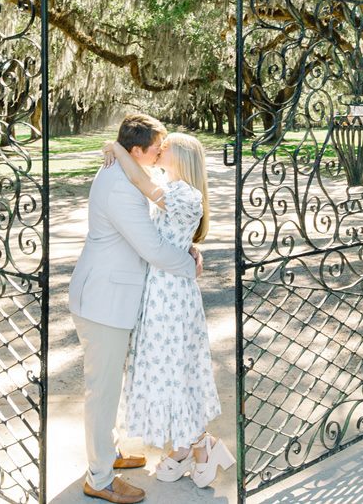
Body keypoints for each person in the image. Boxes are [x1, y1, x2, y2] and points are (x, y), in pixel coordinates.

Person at [69, 114, 203, 504]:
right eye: (156, 147)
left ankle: (107, 454)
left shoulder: (124, 173)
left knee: (107, 385)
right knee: (103, 391)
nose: (161, 152)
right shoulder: (121, 188)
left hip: (110, 296)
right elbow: (152, 249)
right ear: (137, 152)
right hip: (103, 301)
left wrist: (185, 247)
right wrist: (188, 266)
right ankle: (99, 477)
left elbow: (161, 221)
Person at [106, 132, 235, 489]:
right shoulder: (172, 186)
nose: (161, 148)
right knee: (166, 366)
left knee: (175, 366)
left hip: (171, 295)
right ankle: (187, 446)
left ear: (183, 156)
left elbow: (139, 180)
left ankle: (199, 447)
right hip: (159, 289)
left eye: (169, 145)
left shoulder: (185, 194)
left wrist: (117, 147)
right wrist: (190, 249)